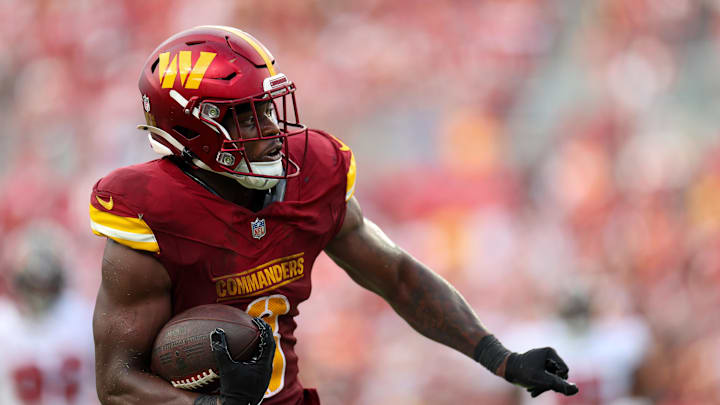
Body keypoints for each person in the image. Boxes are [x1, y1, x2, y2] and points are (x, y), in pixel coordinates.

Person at [89, 25, 579, 405]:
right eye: (246, 115)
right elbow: (116, 384)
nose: (270, 128)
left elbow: (399, 277)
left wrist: (501, 358)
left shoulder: (311, 173)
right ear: (193, 128)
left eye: (267, 107)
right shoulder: (151, 212)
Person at [0, 222, 97, 405]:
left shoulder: (84, 318)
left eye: (46, 285)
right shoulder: (85, 318)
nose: (39, 294)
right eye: (33, 285)